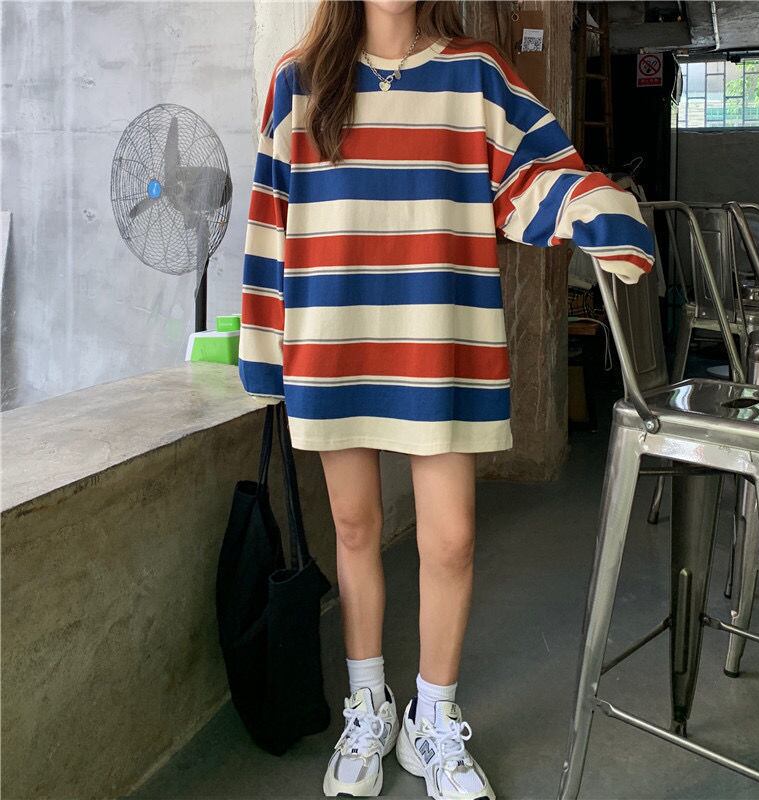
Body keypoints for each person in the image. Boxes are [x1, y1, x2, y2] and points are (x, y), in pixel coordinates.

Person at [237, 2, 655, 798]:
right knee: (353, 529)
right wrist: (264, 358)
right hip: (332, 338)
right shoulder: (299, 80)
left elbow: (535, 176)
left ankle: (431, 718)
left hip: (441, 337)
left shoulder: (476, 75)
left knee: (453, 540)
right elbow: (269, 222)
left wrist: (599, 210)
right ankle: (369, 707)